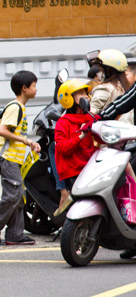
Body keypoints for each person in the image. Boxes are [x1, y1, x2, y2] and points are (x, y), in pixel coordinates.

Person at [0, 70, 41, 246]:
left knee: (18, 196)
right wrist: (25, 140)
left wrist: (29, 144)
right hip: (8, 158)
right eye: (34, 86)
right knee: (13, 195)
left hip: (15, 159)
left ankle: (15, 234)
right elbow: (3, 131)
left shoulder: (20, 108)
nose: (36, 89)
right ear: (24, 88)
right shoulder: (15, 107)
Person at [54, 79, 97, 216]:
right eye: (80, 93)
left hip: (91, 168)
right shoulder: (63, 122)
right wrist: (80, 137)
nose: (85, 96)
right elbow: (62, 148)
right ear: (69, 98)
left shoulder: (91, 118)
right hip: (74, 172)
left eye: (86, 93)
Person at [89, 49, 133, 124]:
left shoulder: (104, 88)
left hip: (110, 133)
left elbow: (91, 113)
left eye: (101, 69)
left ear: (108, 70)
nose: (100, 73)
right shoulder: (128, 89)